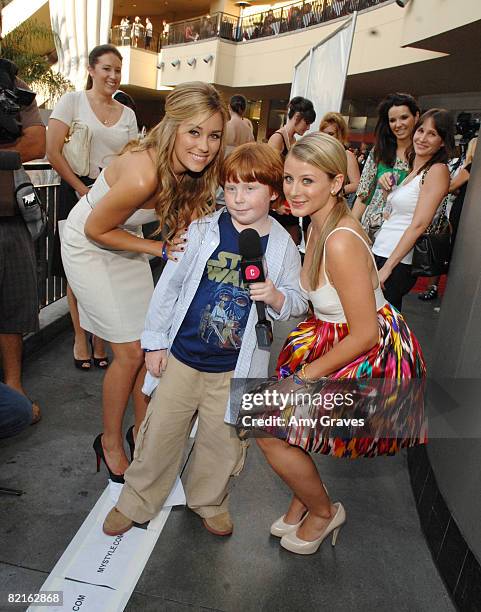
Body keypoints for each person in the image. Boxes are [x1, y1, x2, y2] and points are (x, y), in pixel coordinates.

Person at [101, 142, 307, 537]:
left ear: (274, 193)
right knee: (160, 433)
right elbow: (169, 289)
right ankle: (137, 500)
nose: (238, 198)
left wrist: (277, 297)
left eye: (250, 189)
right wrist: (156, 343)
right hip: (182, 356)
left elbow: (297, 302)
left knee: (222, 442)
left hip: (235, 367)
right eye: (230, 188)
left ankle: (208, 500)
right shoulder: (202, 230)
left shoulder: (282, 247)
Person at [254, 132, 426, 555]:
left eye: (307, 181)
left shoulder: (341, 240)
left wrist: (304, 378)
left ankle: (324, 509)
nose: (294, 191)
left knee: (266, 429)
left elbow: (365, 333)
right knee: (285, 427)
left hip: (373, 352)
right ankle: (306, 495)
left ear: (335, 183)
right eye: (289, 179)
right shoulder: (315, 224)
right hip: (336, 335)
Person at [60, 82, 229, 482]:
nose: (205, 146)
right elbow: (96, 229)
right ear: (173, 128)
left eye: (214, 135)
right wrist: (160, 250)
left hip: (128, 244)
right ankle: (110, 441)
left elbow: (189, 226)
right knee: (132, 353)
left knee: (150, 342)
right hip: (93, 244)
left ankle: (145, 433)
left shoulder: (192, 169)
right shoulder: (142, 174)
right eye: (194, 132)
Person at [47, 45, 138, 373]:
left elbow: (131, 157)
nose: (113, 76)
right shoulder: (71, 101)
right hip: (75, 192)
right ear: (91, 69)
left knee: (107, 266)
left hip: (111, 197)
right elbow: (52, 151)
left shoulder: (127, 114)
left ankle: (101, 338)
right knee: (77, 271)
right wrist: (79, 187)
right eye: (107, 69)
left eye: (118, 70)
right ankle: (80, 338)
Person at [372, 109, 455, 311]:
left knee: (381, 326)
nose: (423, 138)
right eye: (420, 131)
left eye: (432, 134)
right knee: (376, 325)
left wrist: (388, 268)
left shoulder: (437, 170)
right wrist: (386, 191)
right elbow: (393, 215)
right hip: (383, 250)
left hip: (398, 261)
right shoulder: (416, 170)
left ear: (442, 142)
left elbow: (418, 224)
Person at [0, 53, 45, 423]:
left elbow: (36, 144)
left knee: (14, 306)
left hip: (11, 215)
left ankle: (14, 387)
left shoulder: (15, 86)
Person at [352, 93, 420, 241]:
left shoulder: (422, 155)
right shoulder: (379, 151)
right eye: (392, 120)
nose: (398, 124)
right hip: (370, 230)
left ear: (416, 117)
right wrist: (350, 228)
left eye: (404, 117)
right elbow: (363, 195)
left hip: (402, 232)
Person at [418, 136, 477, 301]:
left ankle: (434, 288)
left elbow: (449, 188)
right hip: (465, 213)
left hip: (460, 214)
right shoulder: (470, 168)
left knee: (448, 251)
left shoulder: (470, 168)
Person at [268, 96, 316, 244]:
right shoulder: (277, 138)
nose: (307, 128)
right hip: (277, 203)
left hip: (289, 202)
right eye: (306, 123)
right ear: (296, 117)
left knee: (292, 243)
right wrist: (275, 206)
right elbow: (268, 175)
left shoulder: (294, 141)